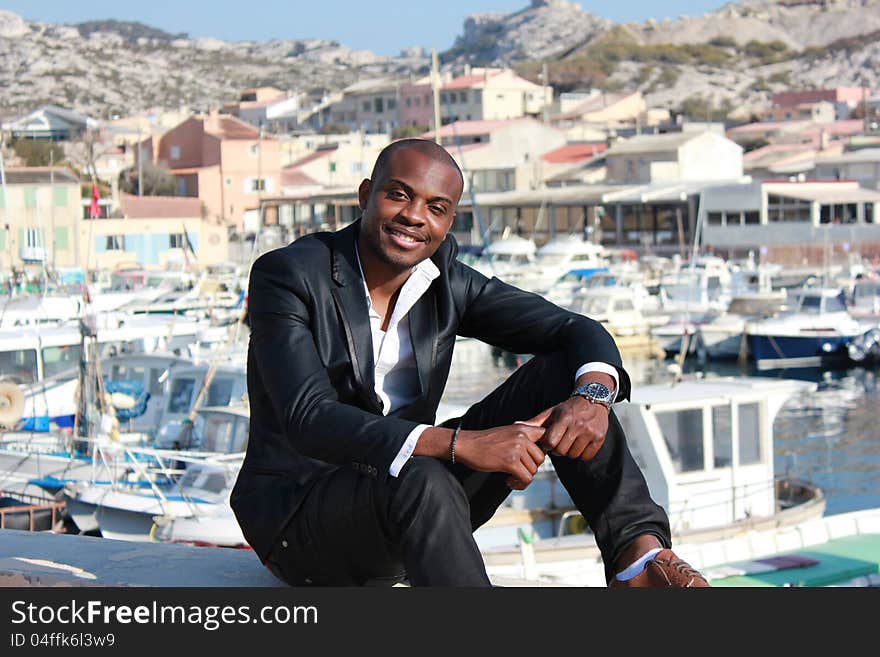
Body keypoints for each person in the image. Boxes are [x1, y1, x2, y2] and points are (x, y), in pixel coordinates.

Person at [231, 139, 708, 587]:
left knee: (567, 372)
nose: (415, 217)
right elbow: (308, 417)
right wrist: (461, 445)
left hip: (412, 508)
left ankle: (638, 564)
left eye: (436, 208)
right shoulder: (290, 275)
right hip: (299, 522)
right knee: (420, 472)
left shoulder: (444, 281)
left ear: (449, 221)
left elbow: (574, 329)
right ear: (365, 195)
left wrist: (593, 396)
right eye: (400, 196)